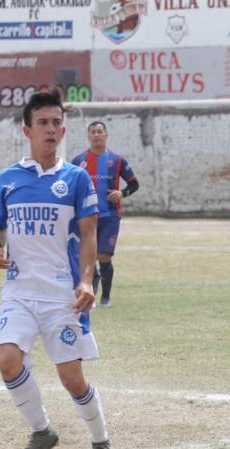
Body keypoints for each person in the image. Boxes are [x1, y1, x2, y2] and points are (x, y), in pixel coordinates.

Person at [0, 91, 113, 449]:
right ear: (27, 130)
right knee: (7, 359)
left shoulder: (76, 179)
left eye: (57, 123)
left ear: (64, 130)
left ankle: (101, 445)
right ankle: (42, 432)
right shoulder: (8, 180)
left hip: (62, 295)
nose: (51, 129)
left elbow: (89, 235)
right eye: (42, 123)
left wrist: (87, 281)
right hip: (19, 291)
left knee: (72, 379)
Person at [71, 121, 138, 308]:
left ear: (106, 135)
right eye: (93, 132)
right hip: (86, 217)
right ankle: (90, 292)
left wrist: (121, 193)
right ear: (88, 136)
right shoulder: (78, 161)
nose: (96, 135)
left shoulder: (117, 160)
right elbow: (70, 186)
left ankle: (106, 297)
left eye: (100, 131)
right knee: (88, 257)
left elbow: (134, 184)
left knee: (104, 257)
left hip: (110, 216)